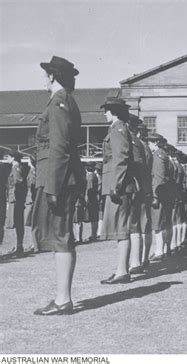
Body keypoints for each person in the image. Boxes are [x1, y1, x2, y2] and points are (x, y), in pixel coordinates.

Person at [32, 56, 85, 315]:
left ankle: (63, 299)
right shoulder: (64, 100)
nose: (45, 80)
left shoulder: (59, 101)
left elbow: (60, 147)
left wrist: (53, 187)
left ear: (52, 76)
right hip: (62, 177)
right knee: (62, 236)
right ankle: (63, 297)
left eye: (46, 75)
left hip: (59, 179)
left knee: (61, 236)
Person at [99, 97, 137, 284]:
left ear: (113, 111)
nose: (104, 113)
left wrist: (116, 185)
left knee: (121, 228)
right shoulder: (117, 128)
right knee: (120, 228)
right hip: (117, 184)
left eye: (106, 110)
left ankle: (122, 271)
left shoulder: (118, 129)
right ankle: (122, 269)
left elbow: (121, 158)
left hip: (118, 185)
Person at [127, 114, 149, 274]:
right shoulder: (142, 144)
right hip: (141, 187)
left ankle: (135, 262)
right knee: (138, 225)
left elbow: (138, 165)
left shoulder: (134, 142)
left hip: (135, 187)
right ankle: (138, 261)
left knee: (133, 226)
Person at [148, 134, 173, 261]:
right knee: (165, 223)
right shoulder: (164, 155)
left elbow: (158, 178)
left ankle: (159, 251)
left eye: (150, 143)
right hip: (166, 193)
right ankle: (166, 249)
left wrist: (155, 196)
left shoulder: (157, 156)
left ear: (156, 143)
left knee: (158, 224)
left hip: (158, 193)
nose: (149, 145)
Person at [4, 150, 27, 256]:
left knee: (17, 222)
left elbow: (19, 183)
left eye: (8, 156)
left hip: (16, 199)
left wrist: (18, 198)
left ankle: (19, 246)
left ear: (13, 158)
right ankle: (18, 246)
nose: (6, 158)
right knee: (15, 222)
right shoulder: (14, 167)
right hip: (14, 198)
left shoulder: (16, 168)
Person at [137, 123, 153, 267]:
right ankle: (145, 258)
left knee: (138, 226)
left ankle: (138, 260)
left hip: (139, 188)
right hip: (147, 188)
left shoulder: (138, 146)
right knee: (146, 225)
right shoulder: (147, 147)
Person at [84, 162, 99, 242]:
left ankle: (93, 235)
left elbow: (89, 189)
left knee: (93, 217)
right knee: (94, 217)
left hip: (91, 199)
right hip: (94, 198)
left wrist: (87, 199)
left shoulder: (90, 177)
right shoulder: (94, 176)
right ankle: (94, 234)